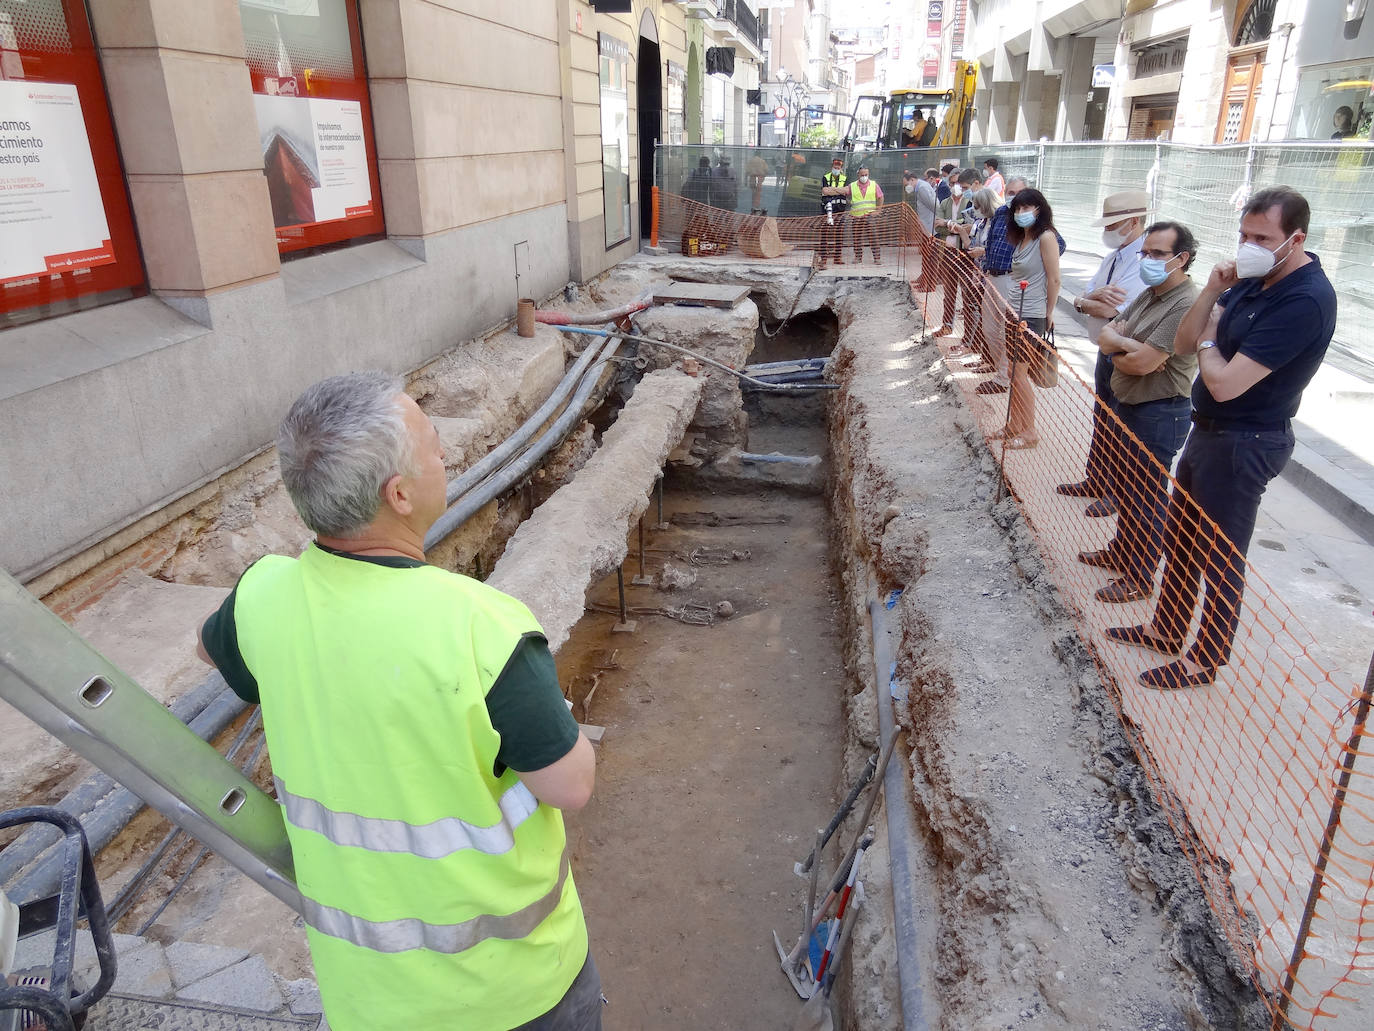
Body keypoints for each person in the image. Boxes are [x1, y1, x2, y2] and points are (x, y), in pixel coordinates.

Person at [198, 372, 600, 1030]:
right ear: (400, 494)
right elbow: (571, 783)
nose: (447, 455)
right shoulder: (481, 627)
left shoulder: (260, 598)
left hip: (369, 1002)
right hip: (515, 992)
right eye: (434, 446)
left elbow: (208, 648)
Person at [1107, 187, 1337, 690]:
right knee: (1183, 540)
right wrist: (1211, 290)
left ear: (1295, 239)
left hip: (1246, 441)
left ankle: (1204, 658)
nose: (1248, 245)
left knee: (1220, 554)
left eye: (1262, 237)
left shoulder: (1305, 300)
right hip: (1208, 431)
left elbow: (1224, 381)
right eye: (1244, 234)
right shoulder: (1251, 280)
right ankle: (1167, 629)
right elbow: (1186, 342)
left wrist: (1211, 339)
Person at [1079, 221, 1200, 604]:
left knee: (1147, 498)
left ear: (1182, 259)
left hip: (1160, 411)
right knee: (1129, 492)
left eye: (1157, 254)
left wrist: (1124, 348)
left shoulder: (1185, 303)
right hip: (1131, 404)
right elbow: (1107, 333)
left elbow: (1144, 363)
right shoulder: (1151, 293)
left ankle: (1140, 576)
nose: (1147, 259)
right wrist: (1123, 345)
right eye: (1145, 253)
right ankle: (1121, 551)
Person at [1059, 190, 1153, 517]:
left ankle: (1116, 489)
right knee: (1102, 414)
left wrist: (1090, 302)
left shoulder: (1144, 260)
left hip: (1124, 351)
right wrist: (1089, 300)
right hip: (1103, 348)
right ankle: (1096, 478)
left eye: (1115, 224)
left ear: (1134, 221)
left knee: (1119, 421)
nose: (1109, 231)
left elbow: (1119, 312)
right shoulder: (1114, 258)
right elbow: (1085, 298)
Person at [993, 187, 1061, 450]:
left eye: (1027, 208)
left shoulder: (1046, 238)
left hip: (1031, 315)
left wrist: (1049, 312)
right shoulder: (1022, 238)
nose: (1022, 213)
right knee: (1012, 372)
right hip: (1015, 311)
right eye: (1018, 209)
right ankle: (1015, 424)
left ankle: (1030, 430)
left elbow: (1054, 278)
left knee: (1020, 374)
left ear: (1039, 209)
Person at [973, 175, 1027, 390]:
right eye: (1010, 192)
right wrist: (984, 268)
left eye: (1018, 193)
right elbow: (993, 243)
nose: (1013, 197)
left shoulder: (1033, 217)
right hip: (992, 277)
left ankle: (1004, 379)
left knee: (1007, 332)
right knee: (989, 329)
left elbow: (1056, 244)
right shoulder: (1002, 213)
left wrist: (1025, 264)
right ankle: (1002, 372)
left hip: (1011, 279)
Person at [946, 185, 998, 360]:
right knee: (973, 308)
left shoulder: (997, 224)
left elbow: (992, 249)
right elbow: (970, 246)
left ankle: (986, 356)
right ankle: (975, 347)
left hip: (989, 276)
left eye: (977, 207)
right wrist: (961, 231)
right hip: (978, 273)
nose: (974, 210)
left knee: (985, 316)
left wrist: (982, 251)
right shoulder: (982, 223)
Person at [932, 168, 981, 336]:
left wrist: (947, 224)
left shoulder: (970, 203)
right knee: (949, 291)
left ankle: (969, 337)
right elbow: (938, 227)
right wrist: (955, 227)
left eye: (959, 184)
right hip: (948, 251)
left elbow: (968, 226)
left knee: (967, 295)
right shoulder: (945, 203)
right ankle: (946, 325)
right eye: (952, 183)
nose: (955, 187)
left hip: (965, 253)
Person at [818, 156, 849, 268]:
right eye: (835, 165)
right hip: (827, 210)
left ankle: (837, 257)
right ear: (832, 166)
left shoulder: (845, 178)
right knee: (824, 234)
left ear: (841, 167)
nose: (836, 167)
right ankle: (823, 258)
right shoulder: (825, 177)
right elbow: (825, 191)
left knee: (839, 234)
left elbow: (846, 191)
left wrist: (832, 190)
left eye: (839, 166)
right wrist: (838, 191)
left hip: (840, 209)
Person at [850, 164, 884, 263]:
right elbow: (845, 192)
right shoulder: (852, 186)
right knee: (856, 237)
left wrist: (879, 210)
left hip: (870, 215)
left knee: (873, 236)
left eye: (866, 174)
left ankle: (877, 258)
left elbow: (881, 197)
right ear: (858, 175)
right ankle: (858, 257)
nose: (864, 177)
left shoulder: (874, 185)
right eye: (862, 175)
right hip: (856, 216)